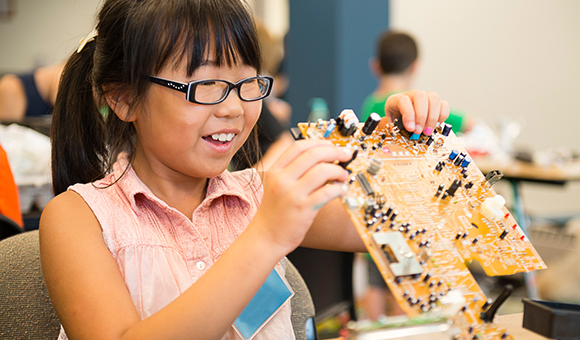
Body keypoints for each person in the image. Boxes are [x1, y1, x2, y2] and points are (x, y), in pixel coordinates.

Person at [39, 1, 449, 339]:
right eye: (207, 86)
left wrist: (404, 147)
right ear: (125, 99)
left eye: (248, 83)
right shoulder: (77, 220)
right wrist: (265, 237)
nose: (234, 108)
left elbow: (419, 223)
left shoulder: (261, 194)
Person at [360, 30, 472, 135]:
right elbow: (472, 124)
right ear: (414, 66)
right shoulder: (417, 106)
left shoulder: (369, 104)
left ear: (375, 66)